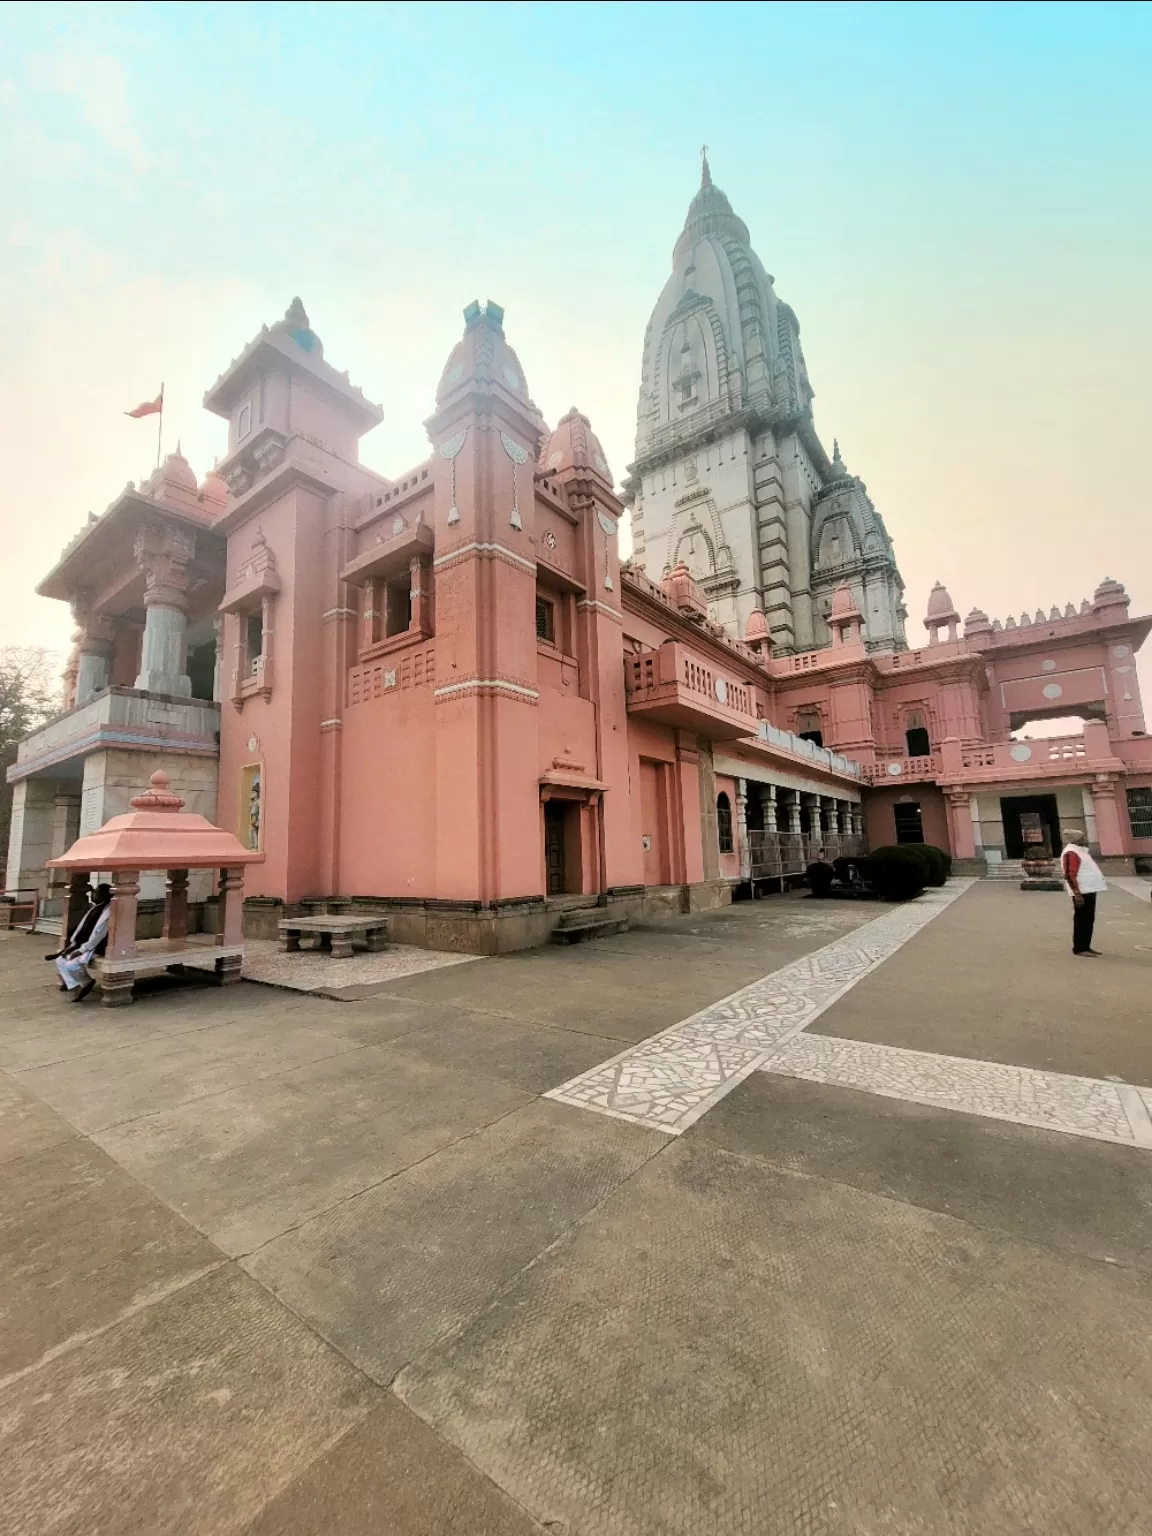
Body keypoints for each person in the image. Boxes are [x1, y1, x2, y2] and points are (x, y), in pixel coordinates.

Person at [54, 883, 112, 1002]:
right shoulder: (95, 907)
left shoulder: (108, 911)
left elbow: (98, 935)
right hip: (82, 944)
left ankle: (86, 983)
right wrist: (73, 946)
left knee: (72, 965)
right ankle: (74, 984)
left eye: (96, 892)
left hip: (96, 947)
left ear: (104, 895)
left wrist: (81, 950)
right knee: (60, 960)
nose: (93, 895)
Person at [1060, 828, 1106, 957]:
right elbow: (1069, 874)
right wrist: (1077, 894)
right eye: (1082, 838)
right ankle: (1079, 948)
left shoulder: (1081, 851)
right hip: (1082, 891)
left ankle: (1086, 946)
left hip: (1089, 889)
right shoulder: (1071, 852)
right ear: (1076, 840)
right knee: (1082, 919)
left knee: (1089, 919)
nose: (1085, 840)